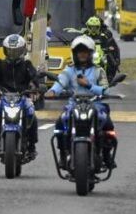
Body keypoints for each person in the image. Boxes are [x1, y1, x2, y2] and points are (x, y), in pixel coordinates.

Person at [45, 35, 117, 168]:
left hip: (95, 105)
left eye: (85, 52)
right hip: (74, 105)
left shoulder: (98, 71)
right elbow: (60, 83)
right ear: (75, 54)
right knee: (60, 123)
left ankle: (107, 155)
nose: (82, 55)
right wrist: (52, 92)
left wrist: (89, 85)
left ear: (90, 53)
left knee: (108, 124)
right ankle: (62, 154)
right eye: (79, 52)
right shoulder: (69, 70)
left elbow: (106, 90)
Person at [0, 34, 41, 159]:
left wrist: (37, 86)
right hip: (4, 96)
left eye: (16, 51)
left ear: (22, 50)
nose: (13, 54)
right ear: (5, 51)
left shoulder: (27, 65)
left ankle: (32, 146)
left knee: (32, 114)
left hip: (22, 96)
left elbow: (34, 77)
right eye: (10, 51)